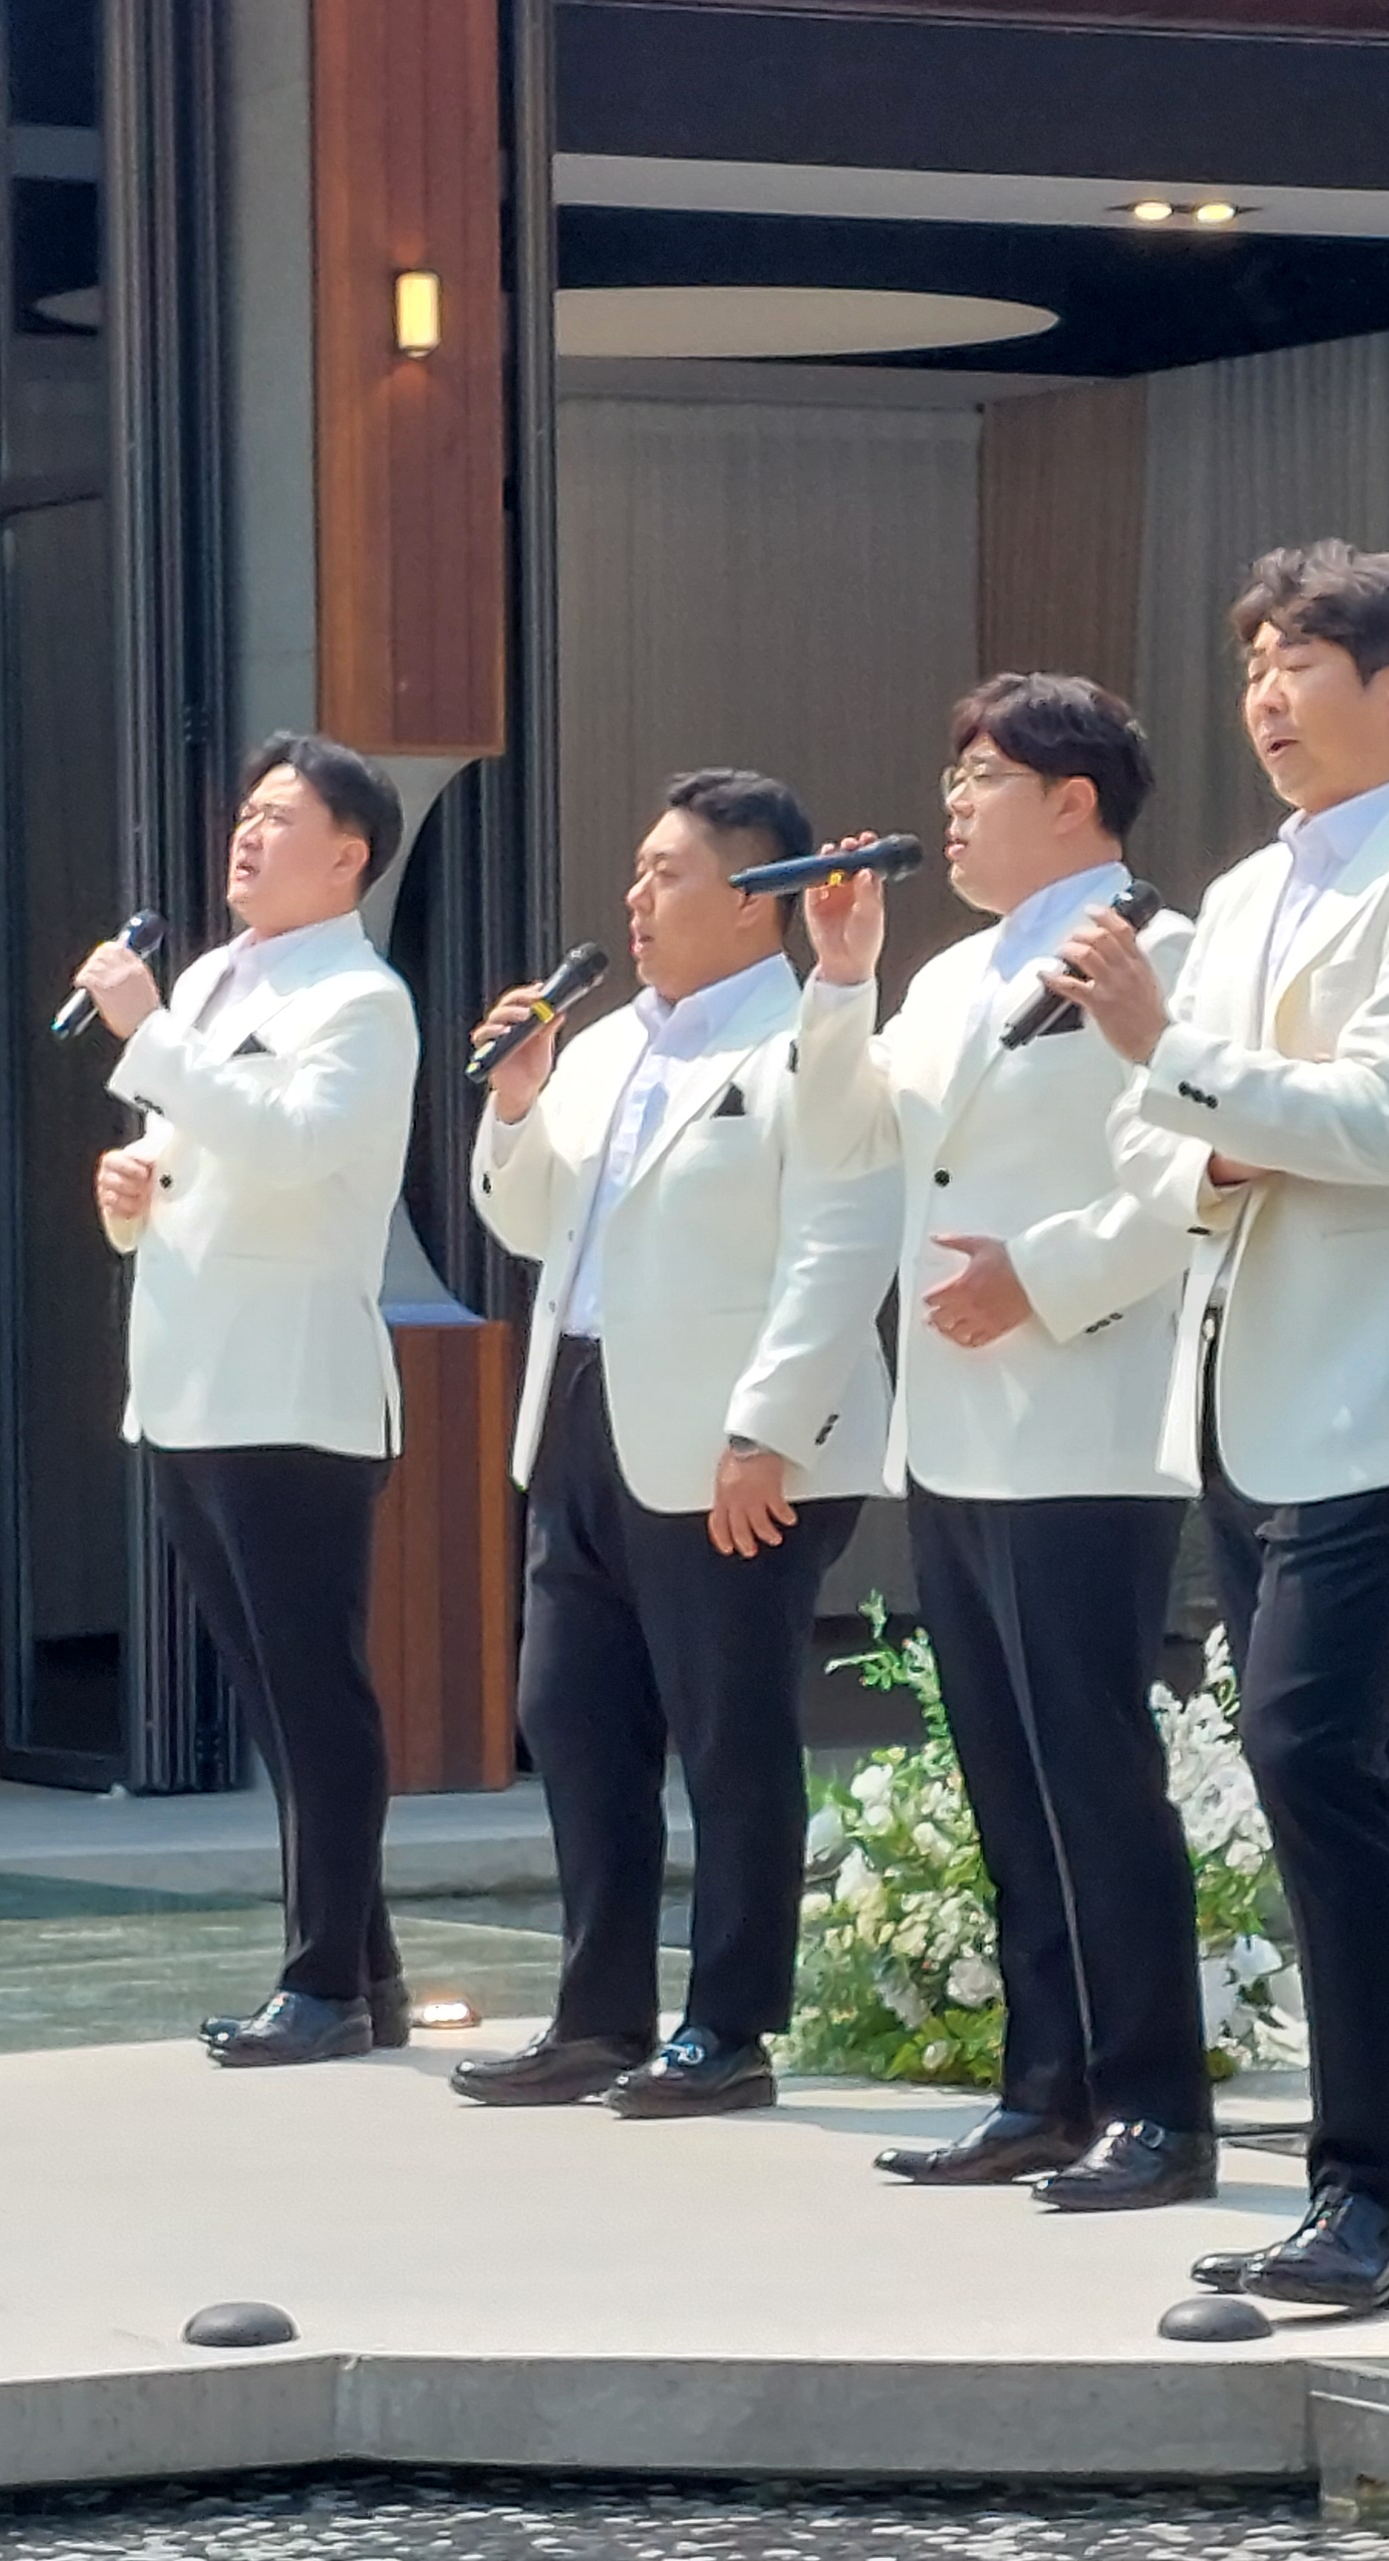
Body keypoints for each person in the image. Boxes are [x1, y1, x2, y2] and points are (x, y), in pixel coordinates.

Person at [1046, 542, 1389, 2312]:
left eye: (1298, 661)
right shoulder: (1248, 888)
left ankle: (1360, 2197)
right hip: (1241, 1390)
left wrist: (1178, 1065)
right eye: (1251, 663)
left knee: (1313, 1762)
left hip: (1379, 1395)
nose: (1263, 694)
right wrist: (1216, 1131)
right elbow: (1161, 1144)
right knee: (1340, 1781)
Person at [795, 674, 1218, 2213]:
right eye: (954, 776)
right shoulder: (946, 976)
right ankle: (1044, 2090)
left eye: (983, 776)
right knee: (1003, 1776)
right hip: (959, 1426)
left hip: (1084, 1412)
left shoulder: (1162, 950)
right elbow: (844, 1142)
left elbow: (1187, 1174)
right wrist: (843, 979)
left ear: (1074, 799)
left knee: (1095, 1770)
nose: (953, 804)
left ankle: (1158, 2106)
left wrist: (1038, 1278)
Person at [455, 769, 901, 2119]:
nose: (636, 898)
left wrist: (768, 1429)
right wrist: (516, 1103)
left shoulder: (805, 1041)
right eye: (639, 872)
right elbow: (529, 1223)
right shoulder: (603, 1046)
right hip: (583, 1409)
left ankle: (730, 2024)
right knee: (571, 1716)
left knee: (728, 1732)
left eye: (669, 873)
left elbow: (840, 1242)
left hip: (731, 1439)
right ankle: (598, 2017)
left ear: (755, 896)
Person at [74, 731, 422, 2068]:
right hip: (187, 1379)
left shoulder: (362, 1000)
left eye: (281, 816)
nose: (248, 832)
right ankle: (364, 1970)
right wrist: (130, 1196)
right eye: (247, 811)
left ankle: (323, 1981)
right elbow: (193, 1151)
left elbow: (293, 1145)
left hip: (290, 1388)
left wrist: (151, 1035)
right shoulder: (214, 977)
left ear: (347, 856)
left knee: (315, 1691)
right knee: (272, 1702)